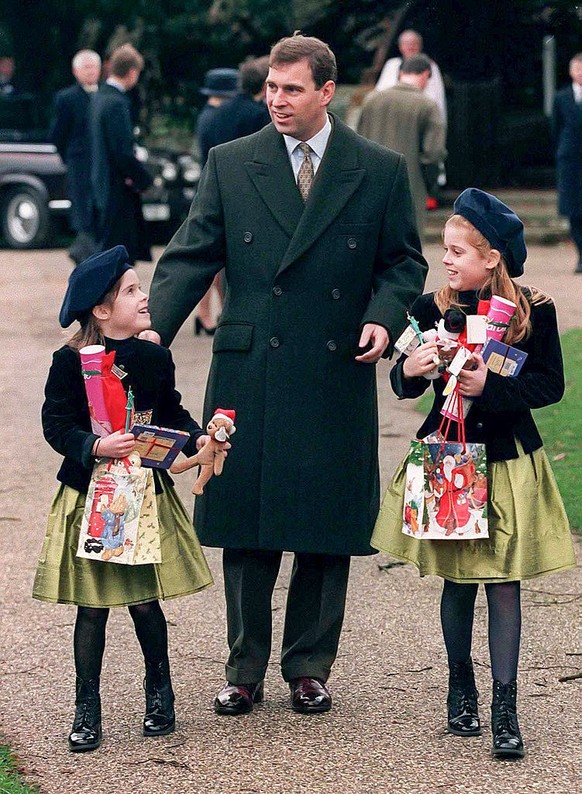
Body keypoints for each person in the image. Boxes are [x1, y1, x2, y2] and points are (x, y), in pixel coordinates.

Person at [143, 33, 427, 717]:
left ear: (327, 93)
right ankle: (244, 668)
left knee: (325, 525)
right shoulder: (231, 162)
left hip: (335, 366)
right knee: (248, 522)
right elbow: (190, 255)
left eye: (291, 89)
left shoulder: (377, 169)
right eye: (271, 87)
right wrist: (153, 330)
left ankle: (308, 665)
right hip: (250, 370)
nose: (276, 100)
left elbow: (404, 264)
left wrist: (385, 318)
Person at [371, 188, 576, 759]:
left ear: (492, 259)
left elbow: (550, 385)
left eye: (460, 251)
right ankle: (461, 686)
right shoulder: (428, 310)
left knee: (504, 580)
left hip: (507, 460)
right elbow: (404, 383)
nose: (448, 259)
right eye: (446, 248)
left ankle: (505, 707)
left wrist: (495, 387)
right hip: (447, 461)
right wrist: (409, 372)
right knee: (457, 579)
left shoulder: (533, 311)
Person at [32, 245, 214, 752]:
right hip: (88, 496)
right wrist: (92, 445)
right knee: (91, 609)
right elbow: (56, 424)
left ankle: (160, 695)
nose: (144, 296)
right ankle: (86, 708)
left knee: (143, 604)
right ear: (102, 310)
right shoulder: (67, 363)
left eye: (140, 287)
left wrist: (199, 439)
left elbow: (172, 413)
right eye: (131, 291)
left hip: (140, 499)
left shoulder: (154, 358)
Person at [193, 58, 271, 336]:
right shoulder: (259, 114)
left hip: (214, 187)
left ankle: (205, 312)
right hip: (247, 193)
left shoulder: (214, 114)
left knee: (213, 255)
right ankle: (228, 311)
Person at [358, 55, 446, 239]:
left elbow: (357, 143)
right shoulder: (427, 106)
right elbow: (433, 153)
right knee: (408, 246)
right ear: (426, 75)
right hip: (411, 186)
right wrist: (431, 184)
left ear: (400, 73)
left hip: (372, 187)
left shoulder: (372, 101)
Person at [90, 44, 153, 266]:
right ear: (133, 72)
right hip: (117, 189)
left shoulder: (99, 98)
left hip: (102, 185)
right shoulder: (116, 103)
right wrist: (144, 179)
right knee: (118, 257)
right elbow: (122, 152)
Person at [193, 67, 240, 335]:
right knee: (217, 259)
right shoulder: (220, 120)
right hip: (218, 191)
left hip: (206, 185)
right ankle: (209, 313)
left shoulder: (205, 117)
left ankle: (207, 313)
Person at [50, 49, 102, 264]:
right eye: (86, 67)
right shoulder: (67, 98)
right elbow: (58, 134)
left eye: (93, 67)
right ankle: (84, 255)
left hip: (102, 165)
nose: (90, 72)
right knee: (83, 214)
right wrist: (71, 158)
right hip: (80, 164)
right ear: (75, 71)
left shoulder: (106, 96)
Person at [375, 29, 446, 124]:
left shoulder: (430, 66)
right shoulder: (392, 65)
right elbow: (381, 92)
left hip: (420, 117)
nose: (410, 46)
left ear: (420, 46)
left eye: (414, 43)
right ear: (400, 46)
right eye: (406, 43)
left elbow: (436, 98)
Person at [552, 53, 582, 274]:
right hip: (570, 160)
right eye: (578, 69)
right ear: (571, 72)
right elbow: (555, 128)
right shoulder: (561, 97)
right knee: (573, 210)